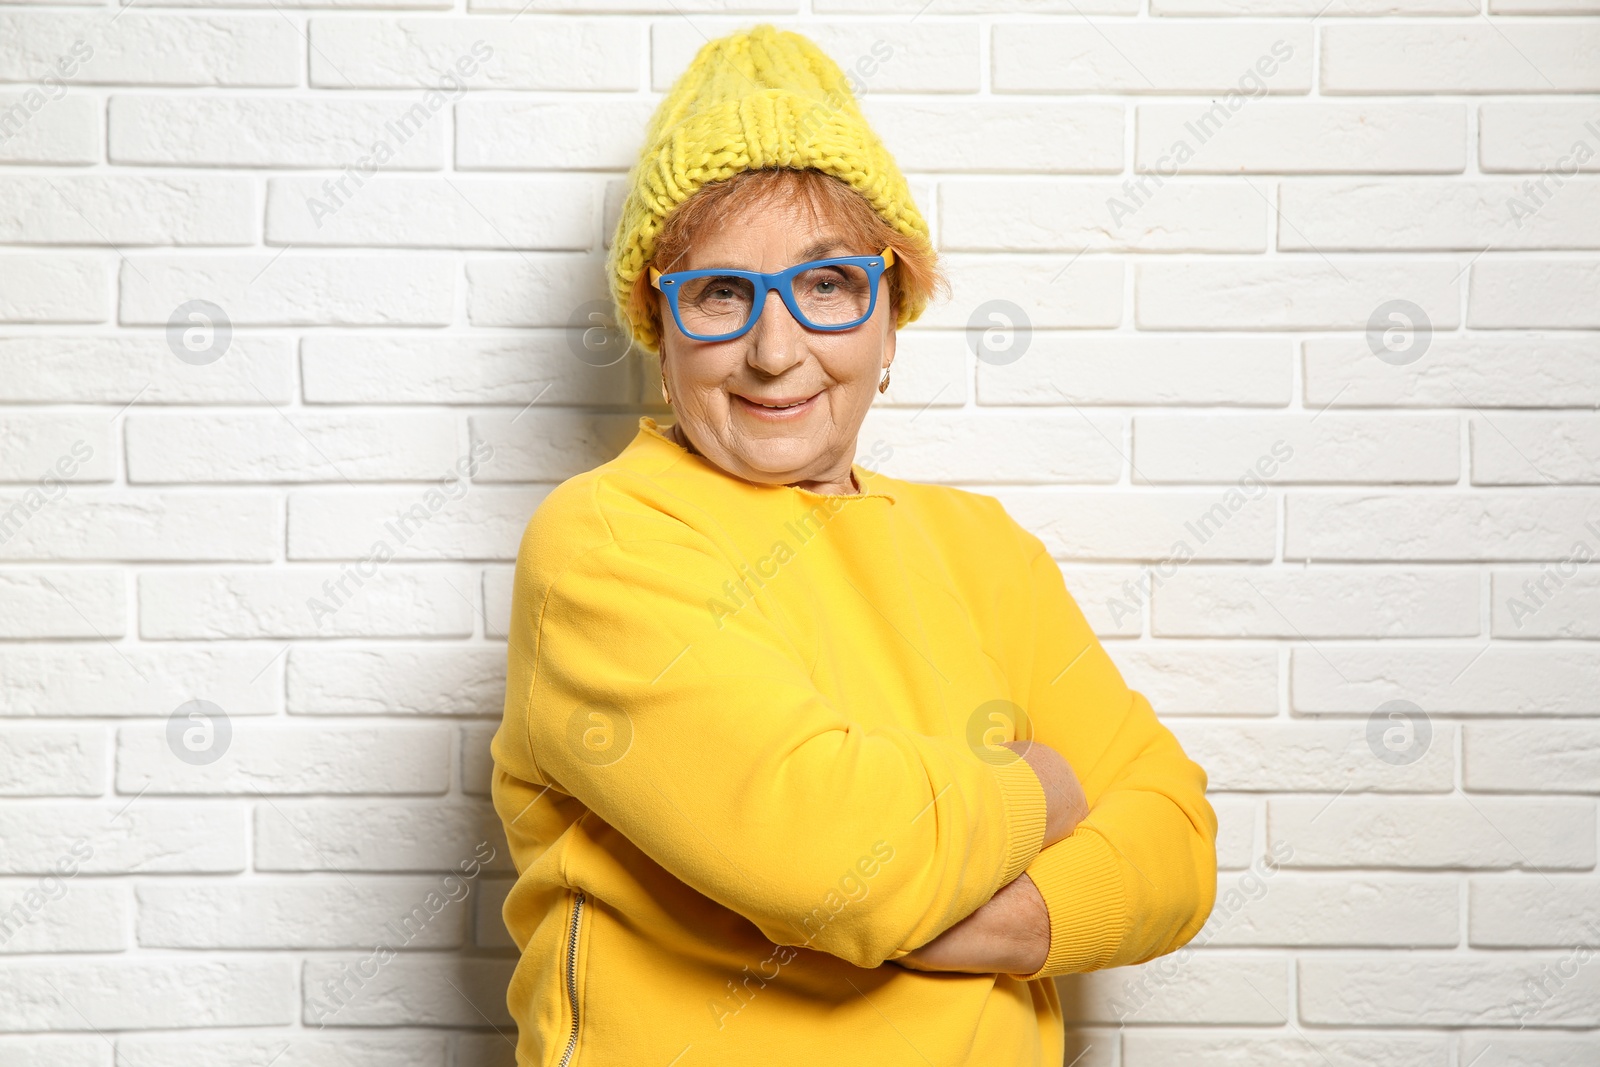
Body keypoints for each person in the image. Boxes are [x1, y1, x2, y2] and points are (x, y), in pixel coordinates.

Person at [490, 23, 1217, 1066]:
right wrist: (1044, 786)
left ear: (891, 313)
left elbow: (1174, 840)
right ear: (661, 327)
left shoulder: (982, 547)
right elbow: (825, 848)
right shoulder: (606, 540)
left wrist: (982, 918)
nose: (774, 350)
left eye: (826, 285)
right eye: (719, 292)